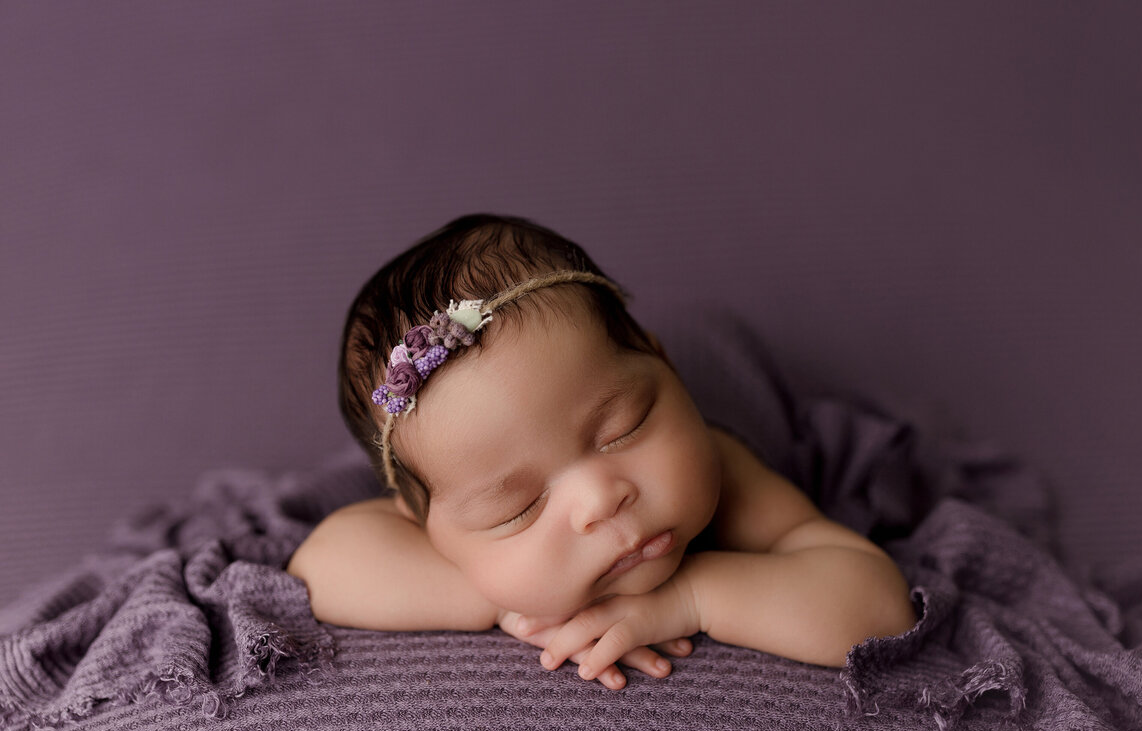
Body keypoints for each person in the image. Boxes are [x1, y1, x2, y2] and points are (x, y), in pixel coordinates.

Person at [287, 214, 916, 690]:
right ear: (422, 526)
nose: (601, 498)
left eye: (624, 428)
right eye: (519, 507)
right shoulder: (444, 525)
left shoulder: (726, 472)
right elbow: (320, 565)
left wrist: (692, 598)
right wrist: (506, 597)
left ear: (663, 365)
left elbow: (876, 604)